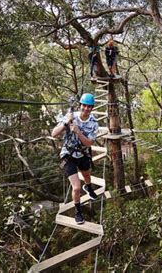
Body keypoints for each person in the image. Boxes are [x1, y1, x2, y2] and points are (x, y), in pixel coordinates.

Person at [52, 93, 99, 224]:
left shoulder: (94, 123)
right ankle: (78, 212)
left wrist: (78, 132)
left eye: (89, 107)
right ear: (80, 106)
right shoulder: (71, 117)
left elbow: (90, 143)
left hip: (82, 153)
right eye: (84, 105)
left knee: (87, 176)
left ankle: (89, 187)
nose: (86, 109)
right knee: (76, 187)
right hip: (68, 154)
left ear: (92, 108)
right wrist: (65, 124)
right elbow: (54, 134)